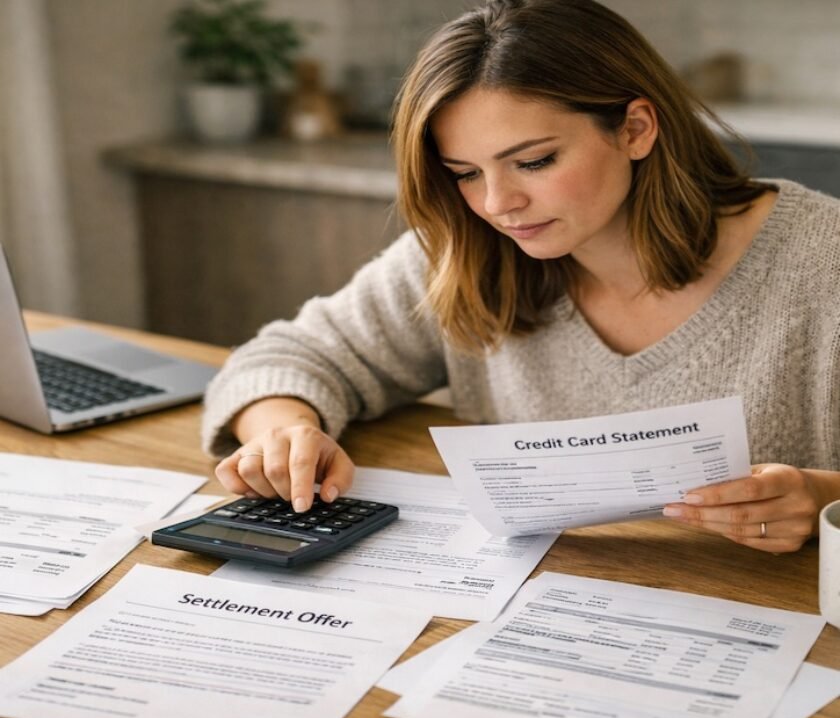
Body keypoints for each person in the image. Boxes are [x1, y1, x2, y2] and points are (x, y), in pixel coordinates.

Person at [203, 0, 840, 554]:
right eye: (465, 172)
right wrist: (284, 433)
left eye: (533, 161)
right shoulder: (468, 251)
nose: (497, 203)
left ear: (636, 129)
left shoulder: (823, 262)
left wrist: (821, 500)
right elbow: (288, 355)